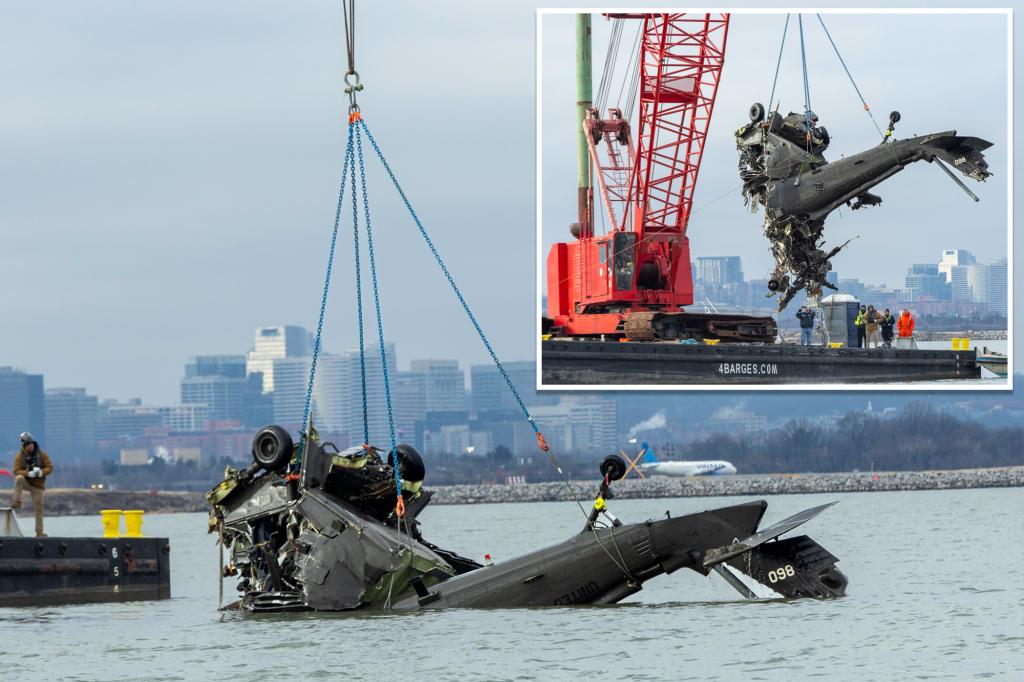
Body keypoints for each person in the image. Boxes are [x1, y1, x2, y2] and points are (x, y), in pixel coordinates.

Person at [10, 432, 53, 537]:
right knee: (19, 478)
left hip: (38, 486)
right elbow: (15, 470)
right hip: (26, 482)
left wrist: (41, 472)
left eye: (32, 443)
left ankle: (39, 532)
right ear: (24, 446)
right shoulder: (19, 456)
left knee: (39, 508)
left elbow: (50, 467)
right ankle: (17, 502)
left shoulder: (42, 454)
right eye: (28, 444)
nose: (31, 446)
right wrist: (28, 473)